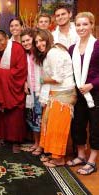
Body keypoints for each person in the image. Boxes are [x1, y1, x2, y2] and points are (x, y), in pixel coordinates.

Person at [33, 29, 76, 167]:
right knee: (50, 125)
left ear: (48, 38)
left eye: (41, 40)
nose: (39, 44)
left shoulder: (53, 52)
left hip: (63, 95)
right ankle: (53, 154)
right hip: (56, 93)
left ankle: (59, 159)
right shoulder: (51, 51)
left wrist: (41, 80)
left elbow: (57, 78)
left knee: (58, 127)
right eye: (37, 42)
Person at [67, 12, 99, 175]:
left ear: (92, 25)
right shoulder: (72, 48)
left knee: (95, 127)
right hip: (78, 94)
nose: (81, 28)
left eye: (85, 24)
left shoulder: (98, 45)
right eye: (78, 25)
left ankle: (92, 161)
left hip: (95, 94)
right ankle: (80, 155)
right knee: (78, 126)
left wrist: (92, 85)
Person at [0, 30, 27, 153]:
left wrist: (0, 72)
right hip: (1, 87)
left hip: (14, 87)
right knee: (0, 113)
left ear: (6, 38)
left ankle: (16, 141)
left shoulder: (17, 48)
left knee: (15, 114)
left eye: (0, 40)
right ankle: (2, 138)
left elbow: (20, 71)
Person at [21, 28, 42, 155]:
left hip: (41, 90)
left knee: (40, 117)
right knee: (33, 117)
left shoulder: (39, 53)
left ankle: (41, 145)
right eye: (23, 41)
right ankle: (36, 143)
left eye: (28, 40)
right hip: (31, 90)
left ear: (33, 39)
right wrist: (25, 83)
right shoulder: (26, 54)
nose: (25, 43)